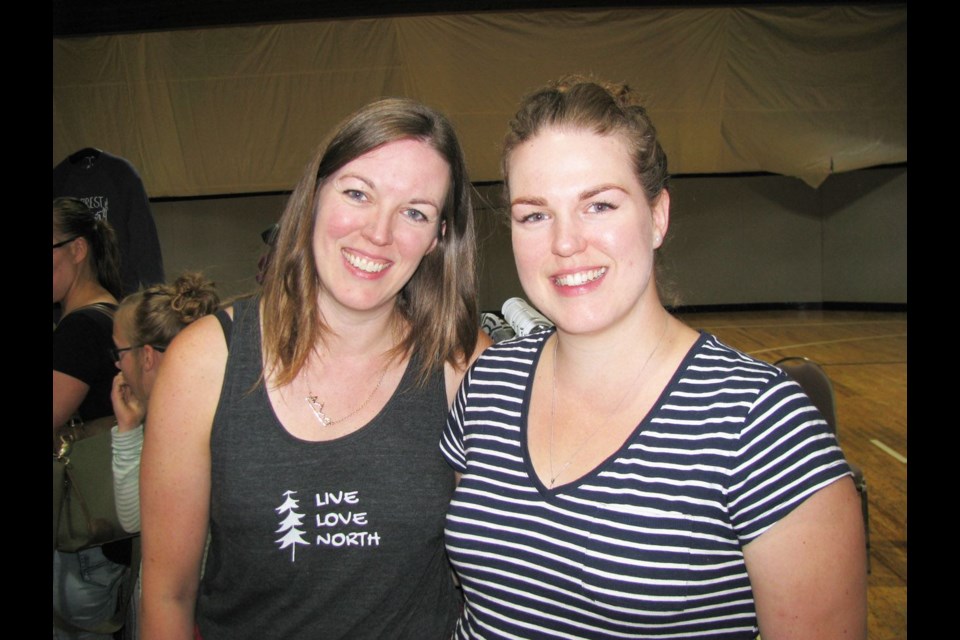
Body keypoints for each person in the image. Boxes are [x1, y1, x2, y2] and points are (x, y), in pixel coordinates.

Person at [440, 77, 867, 639]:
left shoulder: (761, 423)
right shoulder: (487, 386)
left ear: (658, 215)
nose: (566, 242)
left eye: (599, 204)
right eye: (535, 215)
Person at [140, 97, 491, 640]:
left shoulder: (461, 364)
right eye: (357, 193)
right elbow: (168, 595)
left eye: (415, 212)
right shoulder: (206, 361)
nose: (379, 233)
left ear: (438, 238)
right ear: (314, 196)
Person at [110, 272, 221, 639]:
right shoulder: (208, 400)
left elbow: (131, 517)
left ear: (145, 357)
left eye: (119, 352)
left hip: (189, 607)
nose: (117, 365)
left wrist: (127, 430)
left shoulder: (172, 420)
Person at [53, 196, 130, 639]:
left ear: (78, 249)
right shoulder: (112, 312)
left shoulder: (80, 328)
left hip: (83, 527)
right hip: (106, 523)